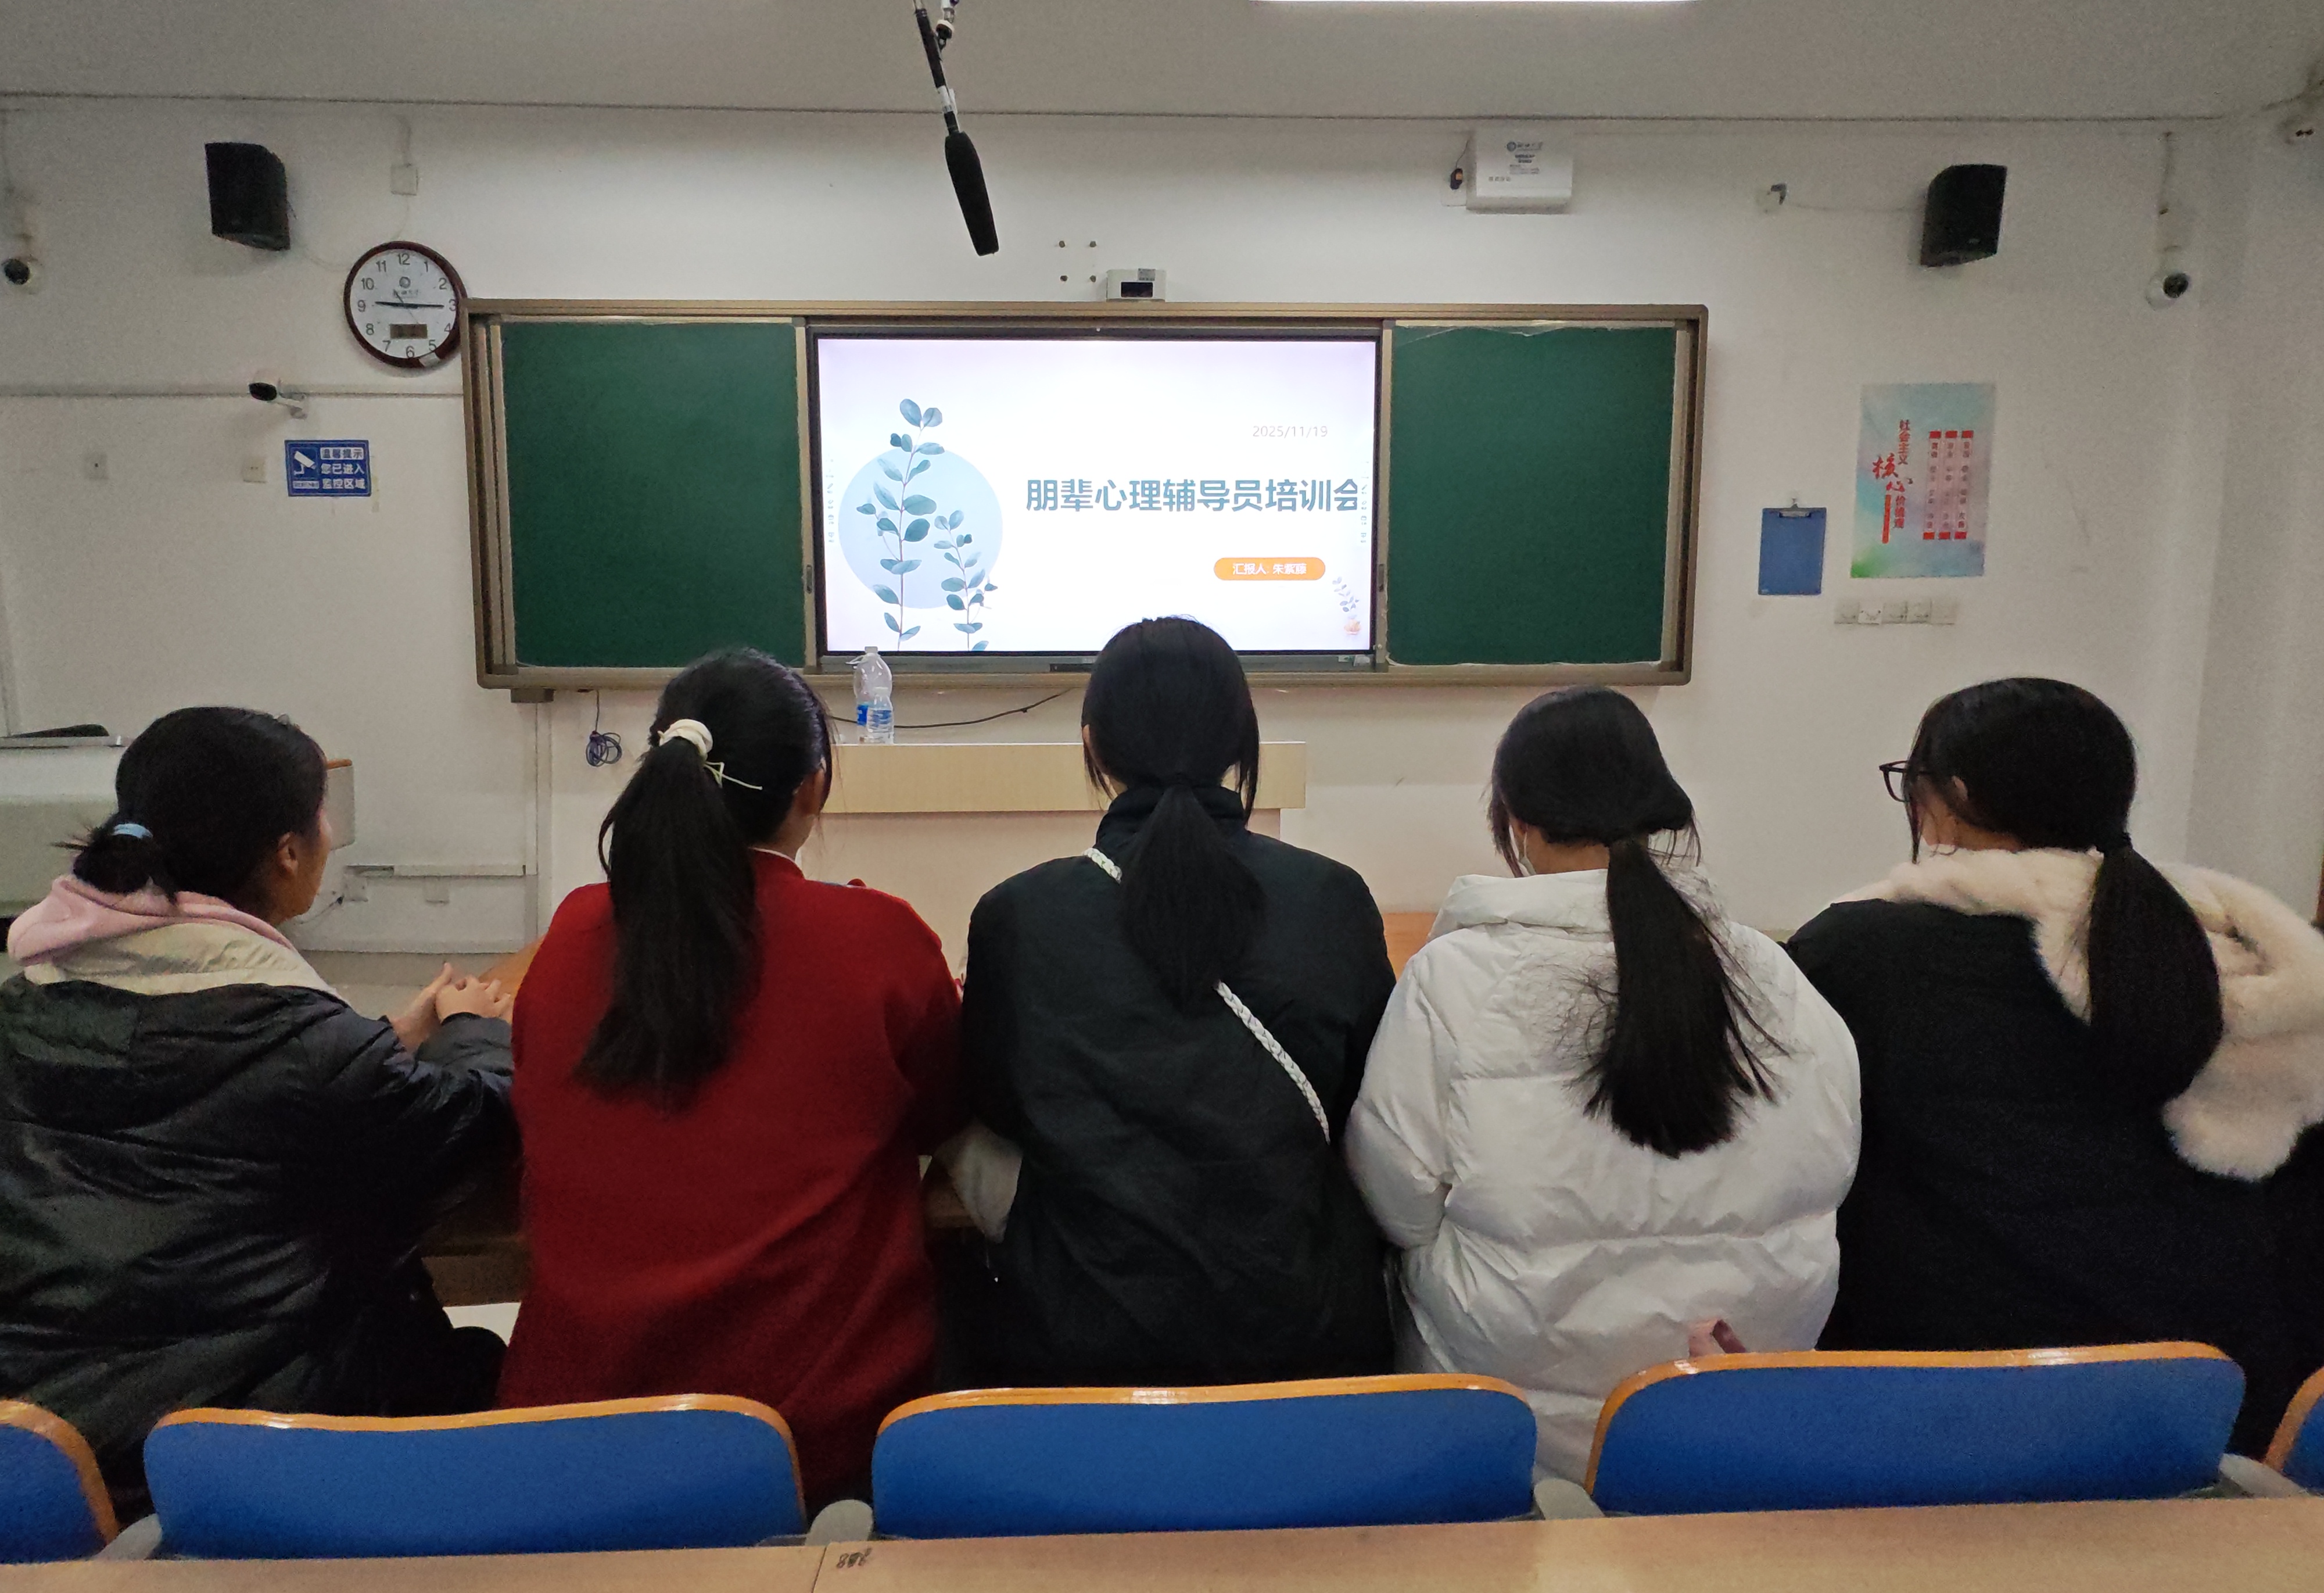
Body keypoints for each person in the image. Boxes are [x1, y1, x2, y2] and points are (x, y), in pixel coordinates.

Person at [1788, 677, 2324, 1453]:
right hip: (2210, 1401)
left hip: (1945, 1394)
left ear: (1954, 796)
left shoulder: (1861, 951)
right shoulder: (2241, 951)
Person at [0, 707, 512, 1514]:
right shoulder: (308, 1050)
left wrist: (381, 1040)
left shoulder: (24, 1004)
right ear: (287, 854)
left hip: (38, 1454)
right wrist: (473, 1030)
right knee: (483, 1372)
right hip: (237, 1453)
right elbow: (473, 1128)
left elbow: (201, 1088)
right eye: (321, 818)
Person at [1347, 687, 1861, 1484]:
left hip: (1513, 1426)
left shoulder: (1454, 981)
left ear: (1516, 821)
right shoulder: (1770, 969)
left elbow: (1397, 1203)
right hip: (1728, 1389)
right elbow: (1833, 1169)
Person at [498, 650, 960, 1509]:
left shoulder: (572, 934)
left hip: (572, 1444)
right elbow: (943, 1114)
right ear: (813, 788)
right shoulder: (877, 939)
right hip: (817, 1453)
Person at [953, 617, 1396, 1384]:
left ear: (1092, 746)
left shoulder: (1017, 916)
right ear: (1241, 740)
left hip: (1076, 1345)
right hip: (1306, 1340)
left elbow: (997, 1105)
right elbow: (1365, 1108)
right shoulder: (1333, 898)